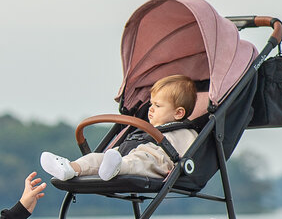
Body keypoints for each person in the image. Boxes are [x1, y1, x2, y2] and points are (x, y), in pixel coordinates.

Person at [40, 74, 199, 181]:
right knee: (98, 157)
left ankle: (116, 167)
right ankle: (70, 168)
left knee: (136, 161)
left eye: (157, 105)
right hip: (125, 153)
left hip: (154, 162)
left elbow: (189, 153)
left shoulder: (185, 132)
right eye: (151, 104)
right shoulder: (146, 130)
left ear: (178, 113)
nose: (150, 109)